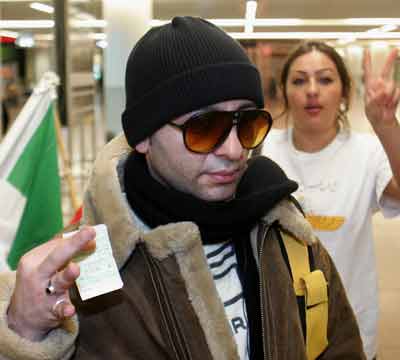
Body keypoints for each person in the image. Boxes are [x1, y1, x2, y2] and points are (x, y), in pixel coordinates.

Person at [0, 18, 365, 360]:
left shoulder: (285, 230)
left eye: (247, 123)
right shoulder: (80, 268)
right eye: (204, 128)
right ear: (144, 136)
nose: (236, 151)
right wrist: (23, 334)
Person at [261, 40, 400, 360]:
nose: (312, 90)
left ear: (345, 92)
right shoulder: (262, 151)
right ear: (283, 92)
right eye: (299, 80)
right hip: (278, 327)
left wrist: (387, 126)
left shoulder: (366, 153)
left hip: (348, 330)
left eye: (325, 79)